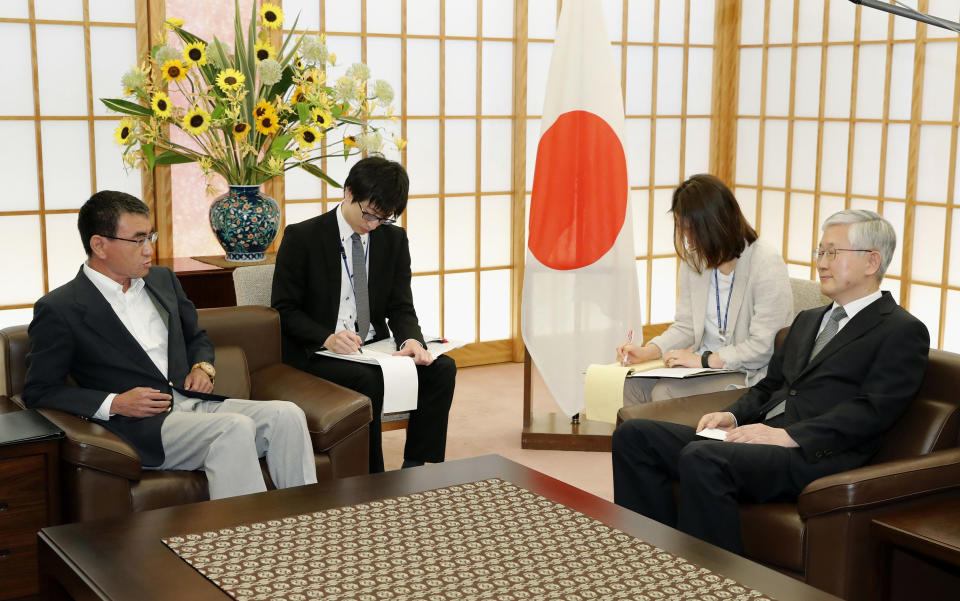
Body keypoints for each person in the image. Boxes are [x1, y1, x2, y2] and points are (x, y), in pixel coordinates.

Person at [612, 209, 930, 554]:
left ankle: (713, 583)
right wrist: (732, 416)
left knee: (704, 458)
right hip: (760, 436)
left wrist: (789, 435)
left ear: (872, 262)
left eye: (833, 252)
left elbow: (872, 412)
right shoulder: (808, 320)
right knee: (635, 435)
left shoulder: (900, 330)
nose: (822, 262)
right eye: (820, 252)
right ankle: (650, 555)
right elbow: (768, 387)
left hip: (817, 454)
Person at [23, 191, 317, 500]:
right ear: (99, 245)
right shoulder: (60, 308)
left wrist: (203, 367)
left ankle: (305, 524)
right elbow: (40, 390)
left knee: (287, 416)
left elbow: (196, 337)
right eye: (138, 240)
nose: (149, 250)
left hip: (193, 403)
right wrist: (116, 403)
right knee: (233, 428)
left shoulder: (162, 280)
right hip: (141, 427)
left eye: (150, 236)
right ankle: (248, 542)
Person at [272, 156, 456, 473]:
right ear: (348, 192)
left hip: (373, 348)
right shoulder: (303, 237)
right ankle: (373, 476)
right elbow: (283, 310)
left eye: (381, 219)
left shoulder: (393, 239)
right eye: (368, 214)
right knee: (367, 380)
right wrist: (327, 337)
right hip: (320, 350)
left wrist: (412, 339)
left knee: (441, 368)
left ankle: (416, 466)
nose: (371, 225)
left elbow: (400, 304)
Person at [617, 173, 793, 404]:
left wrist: (705, 361)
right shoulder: (695, 261)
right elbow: (687, 325)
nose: (689, 241)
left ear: (717, 224)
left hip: (748, 373)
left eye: (692, 230)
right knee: (628, 387)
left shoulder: (765, 262)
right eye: (683, 229)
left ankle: (677, 440)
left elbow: (764, 346)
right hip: (703, 366)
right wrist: (649, 351)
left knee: (665, 393)